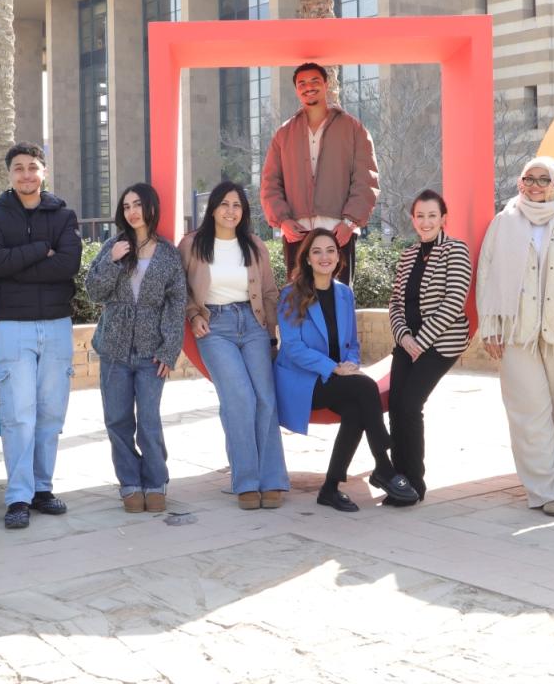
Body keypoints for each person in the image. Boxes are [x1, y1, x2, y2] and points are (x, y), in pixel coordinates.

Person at [476, 157, 554, 517]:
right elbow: (486, 275)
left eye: (544, 179)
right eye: (530, 178)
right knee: (529, 413)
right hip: (516, 332)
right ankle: (547, 490)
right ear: (520, 182)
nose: (536, 185)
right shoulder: (503, 223)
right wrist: (490, 327)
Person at [0, 142, 81, 530]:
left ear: (43, 172)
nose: (26, 174)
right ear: (9, 174)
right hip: (11, 326)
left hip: (56, 324)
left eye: (33, 167)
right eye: (18, 168)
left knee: (50, 413)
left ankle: (42, 489)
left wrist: (17, 264)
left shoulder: (64, 216)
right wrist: (40, 249)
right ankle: (18, 497)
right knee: (18, 415)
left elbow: (68, 264)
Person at [275, 229, 420, 512]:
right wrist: (334, 368)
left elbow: (352, 343)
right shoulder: (290, 295)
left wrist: (350, 365)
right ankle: (384, 465)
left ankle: (330, 488)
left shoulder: (344, 293)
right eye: (316, 251)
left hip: (336, 378)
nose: (324, 257)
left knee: (356, 409)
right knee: (365, 387)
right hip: (303, 382)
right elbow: (292, 348)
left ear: (338, 256)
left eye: (330, 250)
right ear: (306, 258)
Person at [179, 181, 289, 509]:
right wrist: (193, 314)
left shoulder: (254, 245)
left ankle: (272, 479)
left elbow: (268, 292)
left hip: (253, 324)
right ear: (212, 208)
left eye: (237, 205)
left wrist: (272, 334)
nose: (230, 211)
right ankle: (246, 482)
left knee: (265, 398)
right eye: (224, 204)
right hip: (215, 327)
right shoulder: (192, 244)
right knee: (239, 398)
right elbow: (179, 288)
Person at [85, 183, 187, 513]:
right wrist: (113, 261)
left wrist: (169, 349)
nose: (132, 211)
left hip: (151, 352)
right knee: (117, 419)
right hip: (113, 349)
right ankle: (129, 482)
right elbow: (93, 292)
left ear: (151, 208)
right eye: (127, 206)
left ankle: (156, 481)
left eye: (138, 204)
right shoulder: (113, 246)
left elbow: (176, 304)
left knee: (149, 420)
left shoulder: (168, 254)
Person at [385, 190, 473, 506]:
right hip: (407, 342)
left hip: (440, 343)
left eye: (432, 215)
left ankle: (415, 483)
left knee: (410, 405)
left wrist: (420, 342)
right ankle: (398, 480)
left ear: (443, 218)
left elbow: (454, 301)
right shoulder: (408, 254)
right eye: (420, 216)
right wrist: (404, 337)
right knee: (395, 406)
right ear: (413, 219)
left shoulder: (455, 250)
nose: (425, 222)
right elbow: (395, 302)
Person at [259, 63, 380, 285]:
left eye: (315, 81)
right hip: (297, 233)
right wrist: (283, 221)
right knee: (299, 299)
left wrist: (350, 222)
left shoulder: (354, 129)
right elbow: (270, 183)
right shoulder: (283, 134)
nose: (309, 87)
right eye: (302, 84)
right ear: (297, 90)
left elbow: (366, 179)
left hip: (339, 231)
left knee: (338, 298)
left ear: (326, 84)